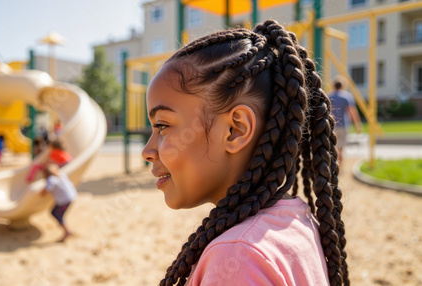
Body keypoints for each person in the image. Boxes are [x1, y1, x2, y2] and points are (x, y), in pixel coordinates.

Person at [141, 21, 349, 286]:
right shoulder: (296, 221)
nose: (147, 151)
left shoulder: (238, 256)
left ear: (235, 130)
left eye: (162, 126)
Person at [328, 76, 363, 164]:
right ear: (343, 86)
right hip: (343, 125)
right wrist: (357, 124)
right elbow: (351, 112)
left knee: (332, 147)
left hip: (331, 126)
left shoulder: (328, 96)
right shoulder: (346, 96)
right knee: (341, 148)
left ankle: (332, 165)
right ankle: (339, 167)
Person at [41, 163, 77, 242]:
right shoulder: (62, 175)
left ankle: (67, 231)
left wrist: (41, 193)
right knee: (56, 213)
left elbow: (46, 191)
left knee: (56, 214)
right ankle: (65, 228)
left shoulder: (51, 179)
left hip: (64, 200)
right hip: (71, 196)